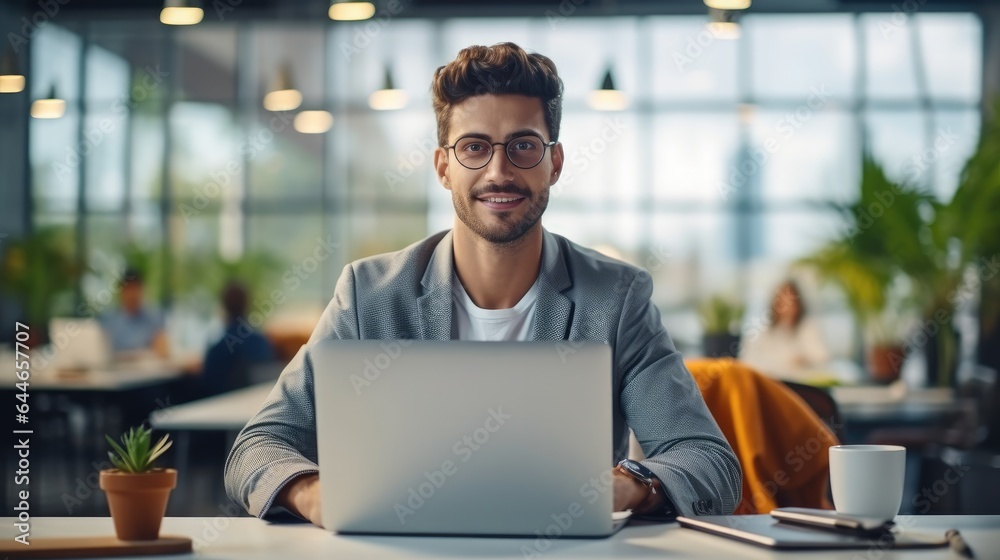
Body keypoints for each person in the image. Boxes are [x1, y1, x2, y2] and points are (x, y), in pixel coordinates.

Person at [225, 42, 741, 527]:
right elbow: (258, 447)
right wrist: (316, 494)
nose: (499, 171)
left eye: (523, 146)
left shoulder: (616, 297)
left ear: (554, 164)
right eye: (474, 147)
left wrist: (628, 487)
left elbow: (709, 463)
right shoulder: (369, 294)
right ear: (443, 167)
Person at [197, 280, 275, 397]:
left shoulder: (218, 349)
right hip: (256, 404)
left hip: (222, 407)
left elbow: (207, 384)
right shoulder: (261, 343)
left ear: (223, 306)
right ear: (247, 305)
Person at [739, 280, 830, 378]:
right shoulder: (761, 329)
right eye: (782, 301)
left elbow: (821, 358)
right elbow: (747, 360)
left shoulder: (807, 327)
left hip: (799, 384)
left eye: (791, 302)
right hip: (767, 382)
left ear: (798, 305)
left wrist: (804, 360)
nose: (787, 307)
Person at [98, 268, 168, 359]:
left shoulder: (154, 317)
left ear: (142, 290)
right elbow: (101, 352)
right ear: (121, 292)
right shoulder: (109, 320)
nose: (132, 294)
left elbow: (163, 352)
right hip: (117, 369)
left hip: (147, 369)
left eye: (135, 289)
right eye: (128, 289)